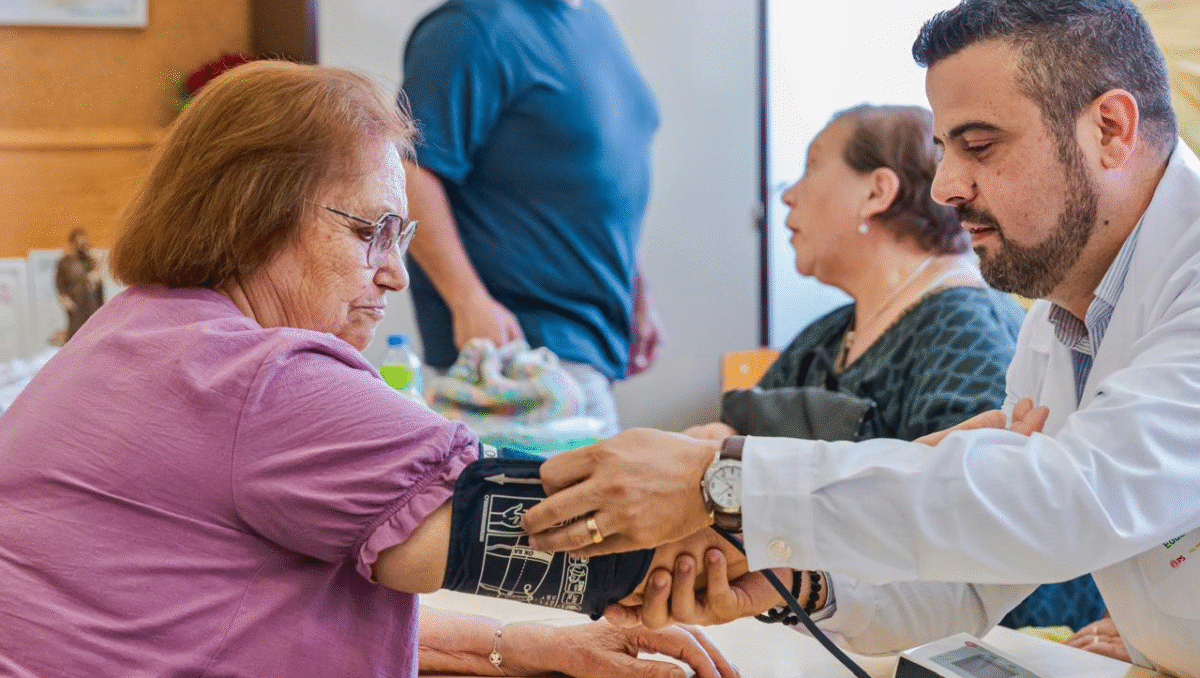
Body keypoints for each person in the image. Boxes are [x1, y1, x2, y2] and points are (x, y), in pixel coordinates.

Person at [521, 1, 1200, 675]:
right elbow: (975, 574)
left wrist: (724, 482)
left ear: (1110, 129)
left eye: (981, 146)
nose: (946, 185)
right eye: (942, 150)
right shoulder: (1058, 326)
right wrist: (802, 582)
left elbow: (1074, 498)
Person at [0, 60, 738, 678]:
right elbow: (562, 537)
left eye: (401, 236)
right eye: (371, 232)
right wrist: (731, 487)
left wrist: (530, 644)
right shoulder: (263, 379)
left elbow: (256, 611)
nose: (396, 276)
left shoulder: (124, 335)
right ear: (249, 213)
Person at [685, 103, 1102, 633]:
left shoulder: (968, 332)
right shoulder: (831, 332)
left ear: (877, 192)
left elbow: (977, 560)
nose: (787, 194)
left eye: (812, 166)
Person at [401, 0, 663, 435]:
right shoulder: (472, 27)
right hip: (518, 358)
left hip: (590, 346)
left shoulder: (592, 21)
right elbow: (411, 170)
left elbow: (587, 175)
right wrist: (468, 300)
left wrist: (636, 290)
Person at [54, 226, 104, 341]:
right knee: (76, 332)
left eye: (83, 241)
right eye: (78, 241)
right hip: (75, 302)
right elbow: (59, 283)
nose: (81, 244)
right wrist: (64, 297)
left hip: (91, 302)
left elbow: (99, 287)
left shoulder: (91, 261)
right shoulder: (65, 262)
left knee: (93, 331)